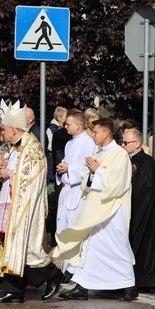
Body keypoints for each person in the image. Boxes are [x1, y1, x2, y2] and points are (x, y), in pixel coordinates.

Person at [0, 101, 63, 303]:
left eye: (3, 129)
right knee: (6, 245)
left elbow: (34, 178)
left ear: (13, 129)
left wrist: (9, 174)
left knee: (24, 248)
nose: (1, 133)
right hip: (5, 203)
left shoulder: (33, 148)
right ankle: (13, 289)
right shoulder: (7, 147)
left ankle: (52, 274)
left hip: (22, 206)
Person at [54, 118, 137, 302]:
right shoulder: (98, 154)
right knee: (90, 248)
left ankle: (130, 286)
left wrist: (98, 171)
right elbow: (86, 181)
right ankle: (82, 287)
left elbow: (118, 184)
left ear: (106, 133)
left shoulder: (119, 154)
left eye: (96, 132)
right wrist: (92, 172)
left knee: (116, 247)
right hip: (96, 208)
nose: (93, 135)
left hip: (112, 210)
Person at [54, 110, 95, 282]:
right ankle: (66, 267)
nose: (65, 126)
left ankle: (74, 269)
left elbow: (87, 169)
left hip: (79, 192)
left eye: (68, 124)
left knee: (75, 230)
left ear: (78, 125)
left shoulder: (89, 143)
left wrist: (69, 168)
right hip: (67, 190)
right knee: (64, 229)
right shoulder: (69, 143)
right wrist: (62, 169)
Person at [121, 125, 155, 294]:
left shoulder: (145, 162)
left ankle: (146, 282)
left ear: (137, 143)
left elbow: (144, 190)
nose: (123, 146)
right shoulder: (130, 160)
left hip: (142, 213)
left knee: (144, 247)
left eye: (126, 143)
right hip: (134, 211)